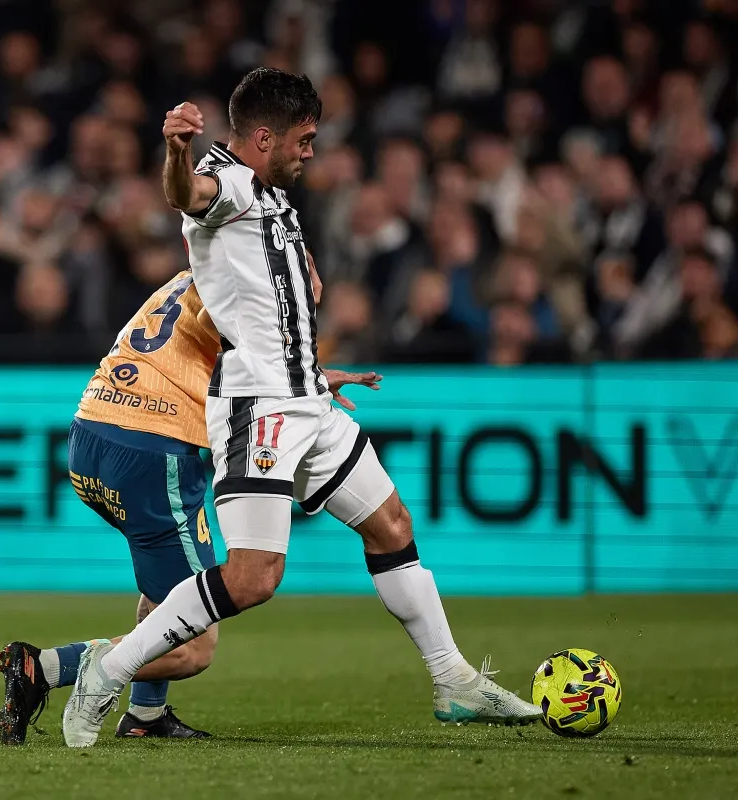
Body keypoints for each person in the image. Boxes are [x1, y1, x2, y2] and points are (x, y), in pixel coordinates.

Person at [62, 67, 542, 749]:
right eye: (305, 139)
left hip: (304, 398)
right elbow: (186, 192)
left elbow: (269, 306)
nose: (311, 151)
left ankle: (453, 681)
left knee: (392, 523)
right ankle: (108, 671)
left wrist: (315, 370)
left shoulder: (271, 198)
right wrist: (174, 150)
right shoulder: (224, 182)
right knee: (254, 580)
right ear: (264, 137)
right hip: (259, 408)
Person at [0, 263, 377, 743]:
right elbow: (254, 368)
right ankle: (43, 668)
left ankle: (146, 717)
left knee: (168, 594)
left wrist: (313, 375)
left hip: (90, 434)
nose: (313, 294)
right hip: (152, 450)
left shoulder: (202, 267)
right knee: (193, 644)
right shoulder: (254, 284)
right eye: (310, 281)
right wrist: (313, 382)